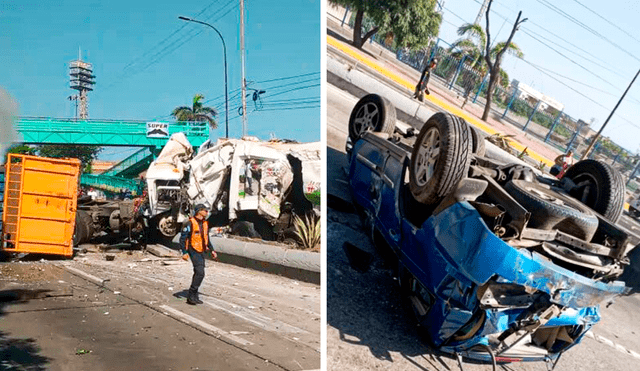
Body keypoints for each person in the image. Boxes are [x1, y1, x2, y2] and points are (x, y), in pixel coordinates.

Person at [179, 204, 217, 305]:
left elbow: (206, 238)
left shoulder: (204, 223)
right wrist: (184, 252)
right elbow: (182, 238)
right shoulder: (190, 223)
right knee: (200, 272)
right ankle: (191, 295)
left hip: (201, 250)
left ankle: (194, 295)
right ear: (198, 211)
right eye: (204, 210)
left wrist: (212, 250)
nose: (206, 212)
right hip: (193, 249)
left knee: (199, 272)